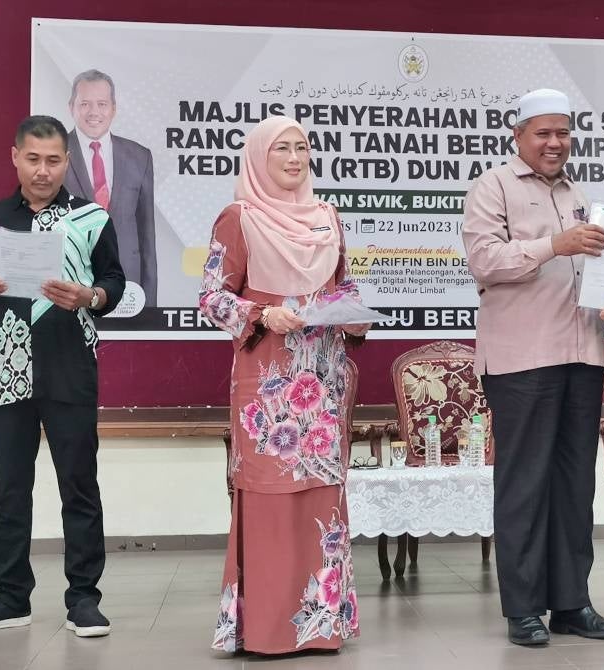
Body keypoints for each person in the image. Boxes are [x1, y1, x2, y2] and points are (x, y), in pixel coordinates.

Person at [462, 88, 604, 646]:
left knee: (574, 484)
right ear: (519, 136)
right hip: (522, 359)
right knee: (525, 483)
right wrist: (554, 244)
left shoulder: (579, 192)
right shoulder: (494, 186)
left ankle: (572, 603)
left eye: (563, 132)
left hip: (582, 353)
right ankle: (524, 608)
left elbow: (591, 270)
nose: (555, 143)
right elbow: (485, 261)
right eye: (543, 133)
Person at [200, 116, 367, 655]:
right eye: (282, 150)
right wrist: (262, 313)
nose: (295, 158)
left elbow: (344, 285)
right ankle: (268, 631)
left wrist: (356, 312)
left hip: (323, 382)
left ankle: (320, 628)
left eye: (302, 148)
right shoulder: (239, 219)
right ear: (258, 158)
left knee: (320, 500)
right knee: (271, 502)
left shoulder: (328, 218)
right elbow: (211, 298)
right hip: (268, 391)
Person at [0, 115, 125, 637]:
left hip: (69, 367)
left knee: (78, 485)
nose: (43, 170)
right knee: (10, 488)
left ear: (68, 161)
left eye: (54, 160)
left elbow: (116, 281)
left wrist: (92, 295)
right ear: (15, 156)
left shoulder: (90, 217)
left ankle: (83, 597)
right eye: (33, 158)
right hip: (6, 368)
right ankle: (10, 595)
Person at [65, 69, 157, 306]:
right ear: (71, 106)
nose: (94, 112)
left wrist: (150, 307)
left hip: (129, 290)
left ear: (113, 108)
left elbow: (147, 236)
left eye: (102, 104)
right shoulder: (55, 154)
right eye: (85, 103)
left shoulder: (140, 157)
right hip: (69, 287)